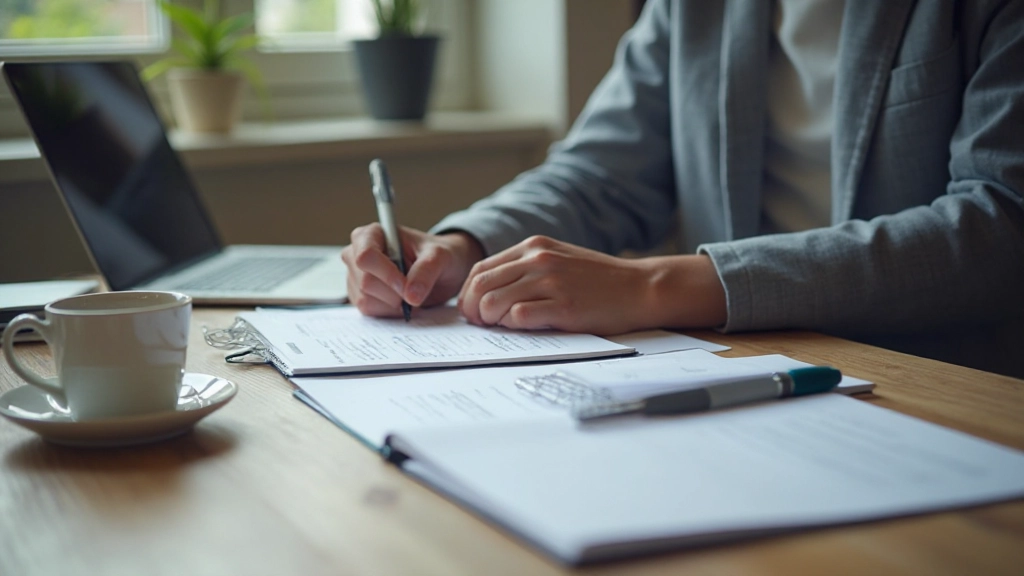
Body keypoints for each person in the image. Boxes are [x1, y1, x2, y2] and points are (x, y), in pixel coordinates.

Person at [342, 0, 1024, 378]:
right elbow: (598, 172)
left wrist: (657, 287)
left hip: (946, 377)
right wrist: (462, 246)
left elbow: (1001, 224)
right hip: (738, 368)